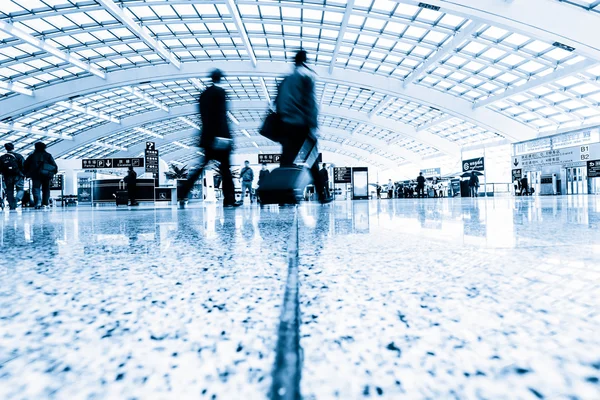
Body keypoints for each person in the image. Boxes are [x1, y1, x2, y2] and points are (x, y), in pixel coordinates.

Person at [276, 50, 330, 204]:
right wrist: (313, 125)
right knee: (312, 159)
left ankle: (281, 196)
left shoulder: (286, 79)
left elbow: (278, 102)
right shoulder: (306, 76)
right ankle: (321, 194)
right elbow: (311, 103)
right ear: (305, 60)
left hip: (287, 125)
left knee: (286, 160)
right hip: (302, 124)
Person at [181, 69, 240, 207]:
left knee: (202, 166)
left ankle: (182, 191)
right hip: (220, 138)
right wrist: (226, 137)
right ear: (220, 78)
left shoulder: (203, 95)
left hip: (207, 137)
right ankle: (229, 199)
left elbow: (203, 117)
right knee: (225, 169)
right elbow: (221, 116)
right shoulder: (220, 93)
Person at [24, 142, 57, 209]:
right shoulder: (48, 155)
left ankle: (38, 202)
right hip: (46, 175)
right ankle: (45, 203)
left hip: (35, 175)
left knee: (36, 188)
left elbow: (25, 165)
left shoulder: (32, 156)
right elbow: (54, 166)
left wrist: (28, 173)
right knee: (46, 189)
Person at [0, 143, 25, 210]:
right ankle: (16, 200)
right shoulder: (18, 156)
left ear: (6, 148)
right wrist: (23, 174)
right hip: (18, 175)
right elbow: (24, 166)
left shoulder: (2, 157)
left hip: (7, 176)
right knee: (20, 189)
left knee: (9, 190)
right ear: (13, 148)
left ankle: (12, 205)